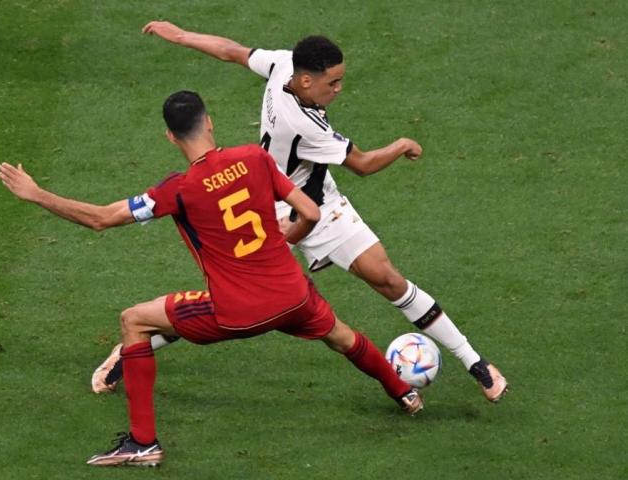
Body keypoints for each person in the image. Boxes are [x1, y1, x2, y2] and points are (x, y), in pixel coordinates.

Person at [0, 91, 423, 467]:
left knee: (134, 320)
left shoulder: (177, 190)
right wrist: (284, 237)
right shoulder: (255, 159)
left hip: (236, 312)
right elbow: (310, 213)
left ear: (170, 136)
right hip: (294, 295)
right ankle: (403, 391)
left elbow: (102, 219)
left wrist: (36, 194)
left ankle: (143, 443)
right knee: (341, 336)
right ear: (210, 121)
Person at [92, 22, 508, 402]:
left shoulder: (282, 66)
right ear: (307, 80)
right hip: (270, 209)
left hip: (318, 202)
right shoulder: (305, 123)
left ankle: (475, 364)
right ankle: (130, 351)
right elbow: (362, 164)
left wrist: (181, 36)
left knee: (388, 278)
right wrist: (401, 145)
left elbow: (232, 51)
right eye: (334, 82)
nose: (339, 90)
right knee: (233, 301)